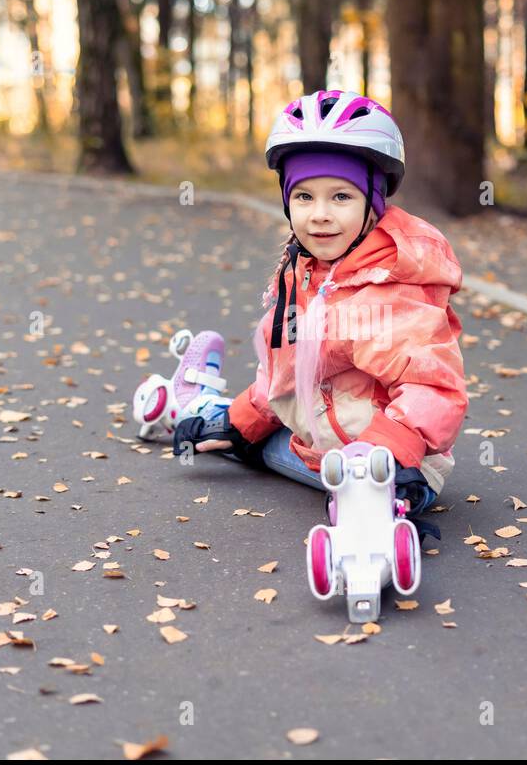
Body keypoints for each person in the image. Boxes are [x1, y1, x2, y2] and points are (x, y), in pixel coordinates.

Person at [169, 90, 468, 542]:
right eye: (304, 196)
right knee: (242, 443)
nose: (320, 216)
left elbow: (434, 387)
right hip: (315, 449)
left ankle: (195, 404)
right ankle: (200, 408)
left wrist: (384, 455)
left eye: (341, 196)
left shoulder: (394, 286)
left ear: (375, 199)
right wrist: (241, 423)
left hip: (395, 465)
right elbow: (289, 374)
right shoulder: (303, 273)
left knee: (348, 488)